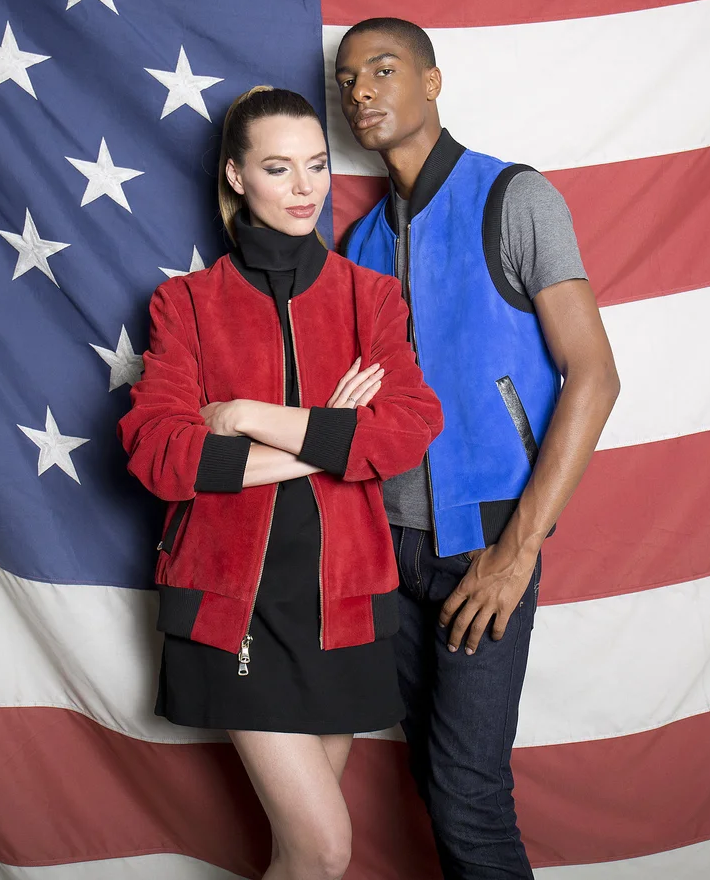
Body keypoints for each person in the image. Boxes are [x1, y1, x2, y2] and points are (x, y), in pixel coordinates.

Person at [117, 86, 444, 880]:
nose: (305, 187)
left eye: (317, 165)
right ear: (236, 177)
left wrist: (246, 414)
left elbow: (408, 428)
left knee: (302, 858)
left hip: (345, 606)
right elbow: (159, 452)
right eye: (277, 167)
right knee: (326, 850)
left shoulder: (371, 297)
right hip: (235, 604)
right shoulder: (186, 304)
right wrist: (330, 438)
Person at [336, 18, 621, 878]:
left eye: (383, 69)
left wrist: (517, 552)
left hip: (485, 545)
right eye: (347, 78)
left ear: (432, 82)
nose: (361, 90)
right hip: (386, 552)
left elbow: (594, 376)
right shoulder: (359, 245)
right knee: (432, 778)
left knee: (468, 794)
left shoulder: (512, 196)